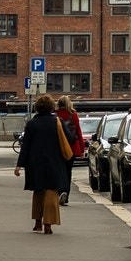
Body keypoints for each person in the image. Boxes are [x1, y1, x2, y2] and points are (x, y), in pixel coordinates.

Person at [15, 95, 67, 234]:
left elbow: (25, 146)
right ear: (51, 107)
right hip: (53, 161)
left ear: (37, 108)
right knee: (51, 191)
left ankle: (37, 222)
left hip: (35, 163)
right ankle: (48, 224)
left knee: (38, 191)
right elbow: (69, 138)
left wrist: (19, 165)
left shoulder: (32, 124)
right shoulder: (58, 122)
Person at [54, 96, 85, 205]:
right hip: (72, 148)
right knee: (68, 171)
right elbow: (78, 132)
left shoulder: (55, 115)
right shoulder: (74, 115)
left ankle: (60, 191)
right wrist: (82, 149)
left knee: (58, 171)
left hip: (58, 147)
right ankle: (66, 194)